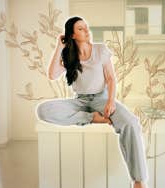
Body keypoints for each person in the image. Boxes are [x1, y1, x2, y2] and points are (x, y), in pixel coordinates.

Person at [36, 16, 148, 188]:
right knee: (43, 110)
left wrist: (110, 102)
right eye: (81, 29)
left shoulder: (100, 50)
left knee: (131, 123)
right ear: (72, 35)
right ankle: (91, 118)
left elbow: (111, 78)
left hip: (101, 99)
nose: (87, 30)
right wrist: (59, 46)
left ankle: (138, 180)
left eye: (86, 27)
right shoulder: (69, 56)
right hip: (79, 102)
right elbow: (52, 75)